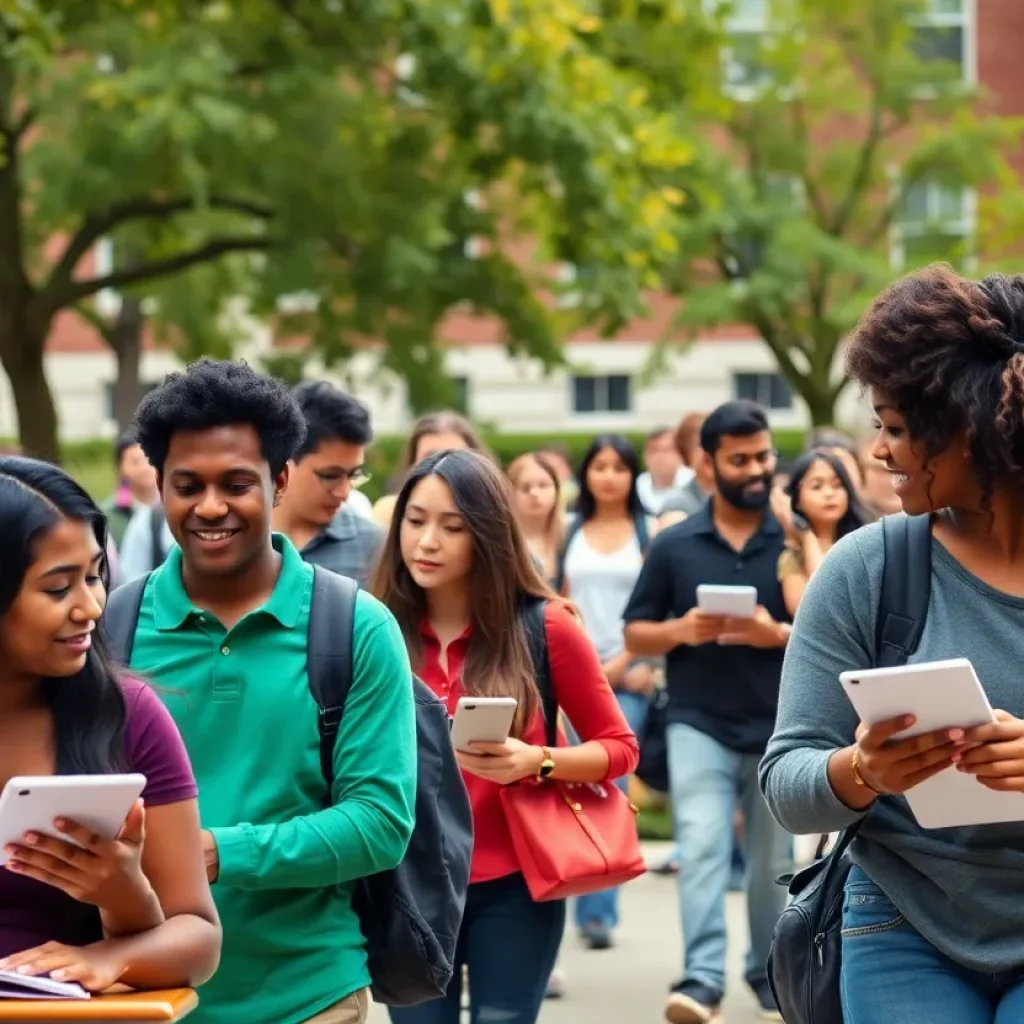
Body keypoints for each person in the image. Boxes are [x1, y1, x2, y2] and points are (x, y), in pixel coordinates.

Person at [117, 359, 418, 1024]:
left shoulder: (353, 627)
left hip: (309, 994)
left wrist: (218, 851)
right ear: (159, 487)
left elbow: (380, 823)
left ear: (280, 480)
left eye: (236, 484)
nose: (211, 507)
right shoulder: (111, 629)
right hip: (142, 997)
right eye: (187, 485)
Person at [760, 267, 1024, 1024]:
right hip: (902, 916)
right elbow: (787, 778)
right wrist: (860, 770)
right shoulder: (866, 569)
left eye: (898, 428)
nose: (876, 452)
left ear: (973, 430)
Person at [375, 449, 639, 1024]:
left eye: (452, 527)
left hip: (516, 882)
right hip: (409, 883)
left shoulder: (546, 626)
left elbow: (619, 748)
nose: (426, 542)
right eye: (415, 521)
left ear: (488, 534)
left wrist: (537, 760)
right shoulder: (374, 629)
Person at [0, 456, 220, 990]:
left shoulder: (129, 716)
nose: (91, 606)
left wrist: (118, 924)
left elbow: (199, 938)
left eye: (95, 576)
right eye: (58, 588)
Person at [623, 400, 792, 1024]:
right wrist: (683, 630)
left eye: (764, 456)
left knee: (774, 862)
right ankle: (702, 979)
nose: (756, 469)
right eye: (740, 459)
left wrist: (773, 633)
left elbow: (823, 631)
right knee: (701, 845)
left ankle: (772, 974)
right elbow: (636, 634)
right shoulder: (674, 545)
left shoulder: (792, 539)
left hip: (780, 723)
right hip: (697, 720)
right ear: (707, 464)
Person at [559, 434, 656, 949]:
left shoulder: (647, 533)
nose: (610, 475)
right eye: (599, 465)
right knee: (564, 785)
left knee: (610, 786)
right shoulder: (569, 531)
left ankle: (598, 908)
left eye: (620, 466)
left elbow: (655, 610)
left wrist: (625, 664)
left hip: (627, 677)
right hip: (572, 676)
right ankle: (568, 881)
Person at [270, 381, 383, 587]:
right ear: (283, 461)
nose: (344, 492)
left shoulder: (376, 549)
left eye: (353, 475)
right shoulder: (240, 538)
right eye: (330, 476)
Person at [773, 448, 870, 617]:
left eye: (838, 485)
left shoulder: (866, 545)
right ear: (797, 500)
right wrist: (806, 536)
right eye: (816, 486)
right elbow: (813, 611)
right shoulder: (793, 558)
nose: (829, 493)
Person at [371, 411, 488, 530]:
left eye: (455, 457)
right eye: (430, 458)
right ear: (412, 463)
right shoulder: (389, 511)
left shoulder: (491, 511)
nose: (442, 466)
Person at [507, 453, 563, 584]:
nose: (534, 493)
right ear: (511, 493)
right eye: (525, 488)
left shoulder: (570, 534)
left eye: (543, 485)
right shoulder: (504, 543)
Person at [101, 432, 160, 550]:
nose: (145, 467)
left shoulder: (171, 505)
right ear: (120, 468)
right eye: (135, 461)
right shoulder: (108, 516)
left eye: (149, 459)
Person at [637, 427, 693, 515]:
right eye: (654, 450)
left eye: (667, 450)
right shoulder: (638, 484)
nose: (660, 456)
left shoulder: (692, 482)